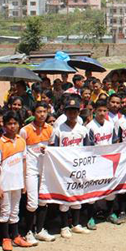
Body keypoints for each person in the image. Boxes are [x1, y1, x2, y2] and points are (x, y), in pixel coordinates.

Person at [50, 97, 92, 238]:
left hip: (79, 167)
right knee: (65, 197)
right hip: (64, 168)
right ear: (65, 112)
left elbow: (88, 148)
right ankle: (64, 226)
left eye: (75, 111)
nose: (72, 114)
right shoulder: (58, 130)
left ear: (78, 112)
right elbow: (53, 149)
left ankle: (76, 224)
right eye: (69, 111)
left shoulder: (83, 129)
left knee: (78, 195)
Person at [0, 111, 32, 251]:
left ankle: (16, 236)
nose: (12, 126)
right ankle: (5, 238)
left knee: (15, 210)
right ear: (4, 125)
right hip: (5, 184)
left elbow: (23, 162)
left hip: (18, 182)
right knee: (5, 211)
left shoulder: (21, 141)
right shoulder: (0, 144)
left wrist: (24, 183)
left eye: (15, 123)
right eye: (9, 123)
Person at [19, 103, 55, 243]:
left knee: (43, 200)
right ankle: (28, 232)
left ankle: (40, 230)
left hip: (44, 170)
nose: (42, 114)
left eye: (44, 111)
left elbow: (52, 148)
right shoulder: (25, 130)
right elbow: (21, 152)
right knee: (32, 202)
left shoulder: (50, 129)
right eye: (39, 111)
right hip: (31, 170)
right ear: (33, 113)